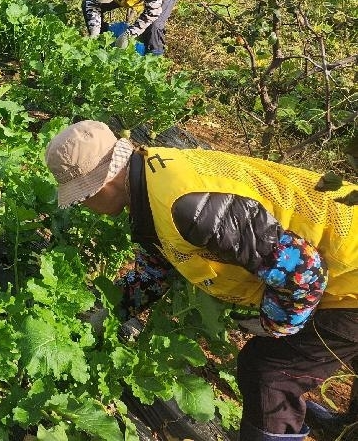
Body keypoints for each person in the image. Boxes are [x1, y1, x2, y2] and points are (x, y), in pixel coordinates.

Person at [44, 119, 358, 441]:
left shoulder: (188, 205)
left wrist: (272, 326)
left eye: (82, 196)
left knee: (268, 372)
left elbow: (303, 271)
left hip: (350, 275)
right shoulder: (153, 179)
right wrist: (103, 317)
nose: (82, 204)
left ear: (102, 182)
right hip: (341, 255)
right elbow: (158, 266)